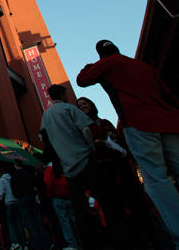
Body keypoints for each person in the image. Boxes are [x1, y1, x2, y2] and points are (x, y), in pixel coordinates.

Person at [77, 39, 179, 248]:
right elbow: (169, 96)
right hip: (170, 122)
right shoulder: (144, 67)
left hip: (139, 124)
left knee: (157, 180)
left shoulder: (108, 63)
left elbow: (82, 79)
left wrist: (90, 66)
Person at [40, 83, 131, 250]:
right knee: (106, 201)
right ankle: (121, 239)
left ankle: (91, 242)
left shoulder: (46, 116)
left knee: (80, 210)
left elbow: (44, 138)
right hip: (85, 160)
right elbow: (86, 130)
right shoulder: (69, 109)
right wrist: (90, 147)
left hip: (69, 169)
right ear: (63, 94)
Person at [43, 162, 79, 250]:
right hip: (68, 195)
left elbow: (48, 183)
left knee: (64, 221)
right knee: (73, 220)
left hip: (57, 197)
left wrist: (50, 194)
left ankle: (72, 243)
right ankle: (79, 241)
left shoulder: (49, 169)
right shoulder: (63, 165)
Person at [0, 167, 25, 250]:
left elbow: (1, 193)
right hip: (16, 201)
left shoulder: (2, 180)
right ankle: (23, 242)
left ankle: (15, 242)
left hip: (8, 203)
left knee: (11, 224)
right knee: (18, 223)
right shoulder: (12, 178)